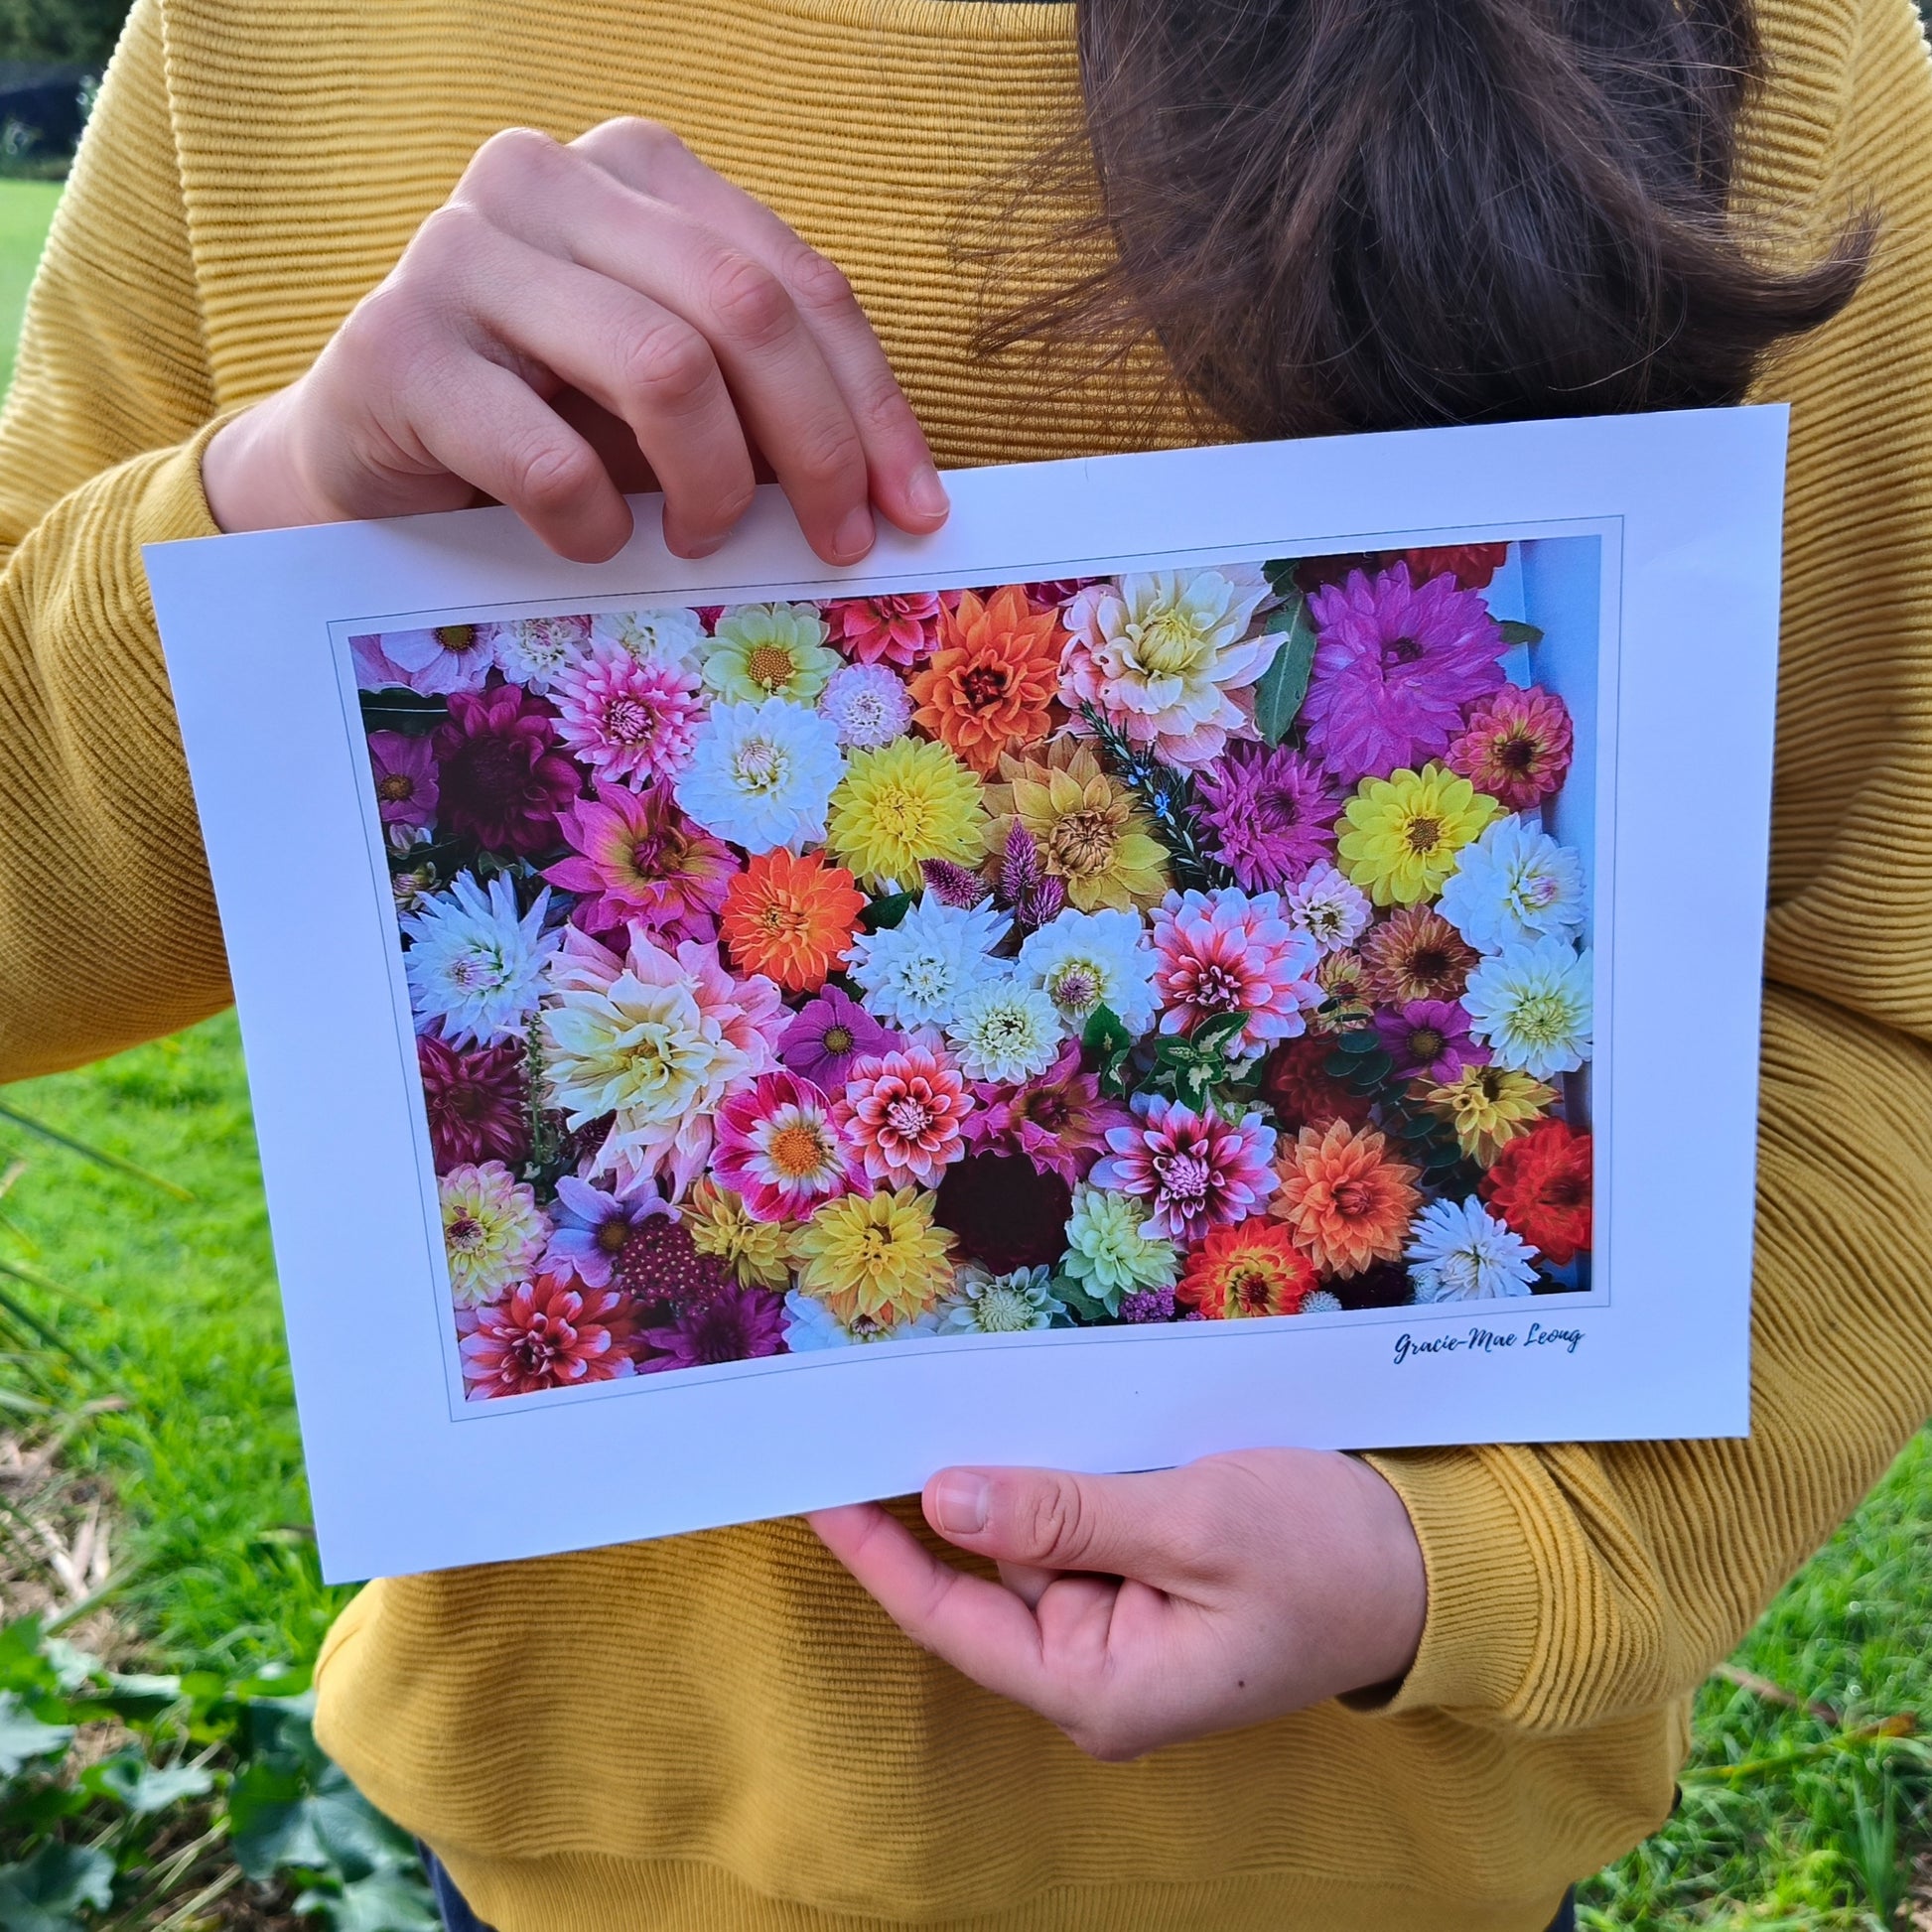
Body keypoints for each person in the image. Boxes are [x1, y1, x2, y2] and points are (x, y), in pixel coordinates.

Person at [0, 1, 1928, 1929]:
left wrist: (1492, 1551)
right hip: (562, 1854)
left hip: (1372, 1861)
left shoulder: (1774, 59)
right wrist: (266, 514)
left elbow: (1878, 1008)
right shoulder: (268, 46)